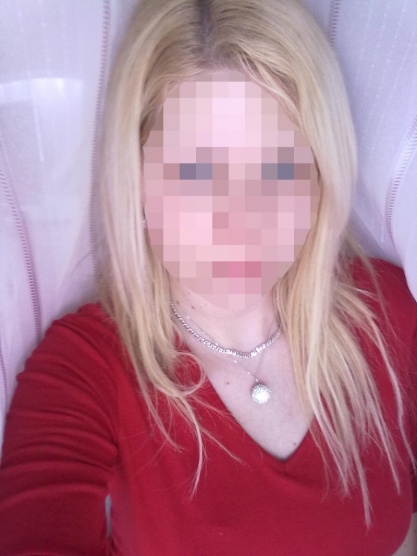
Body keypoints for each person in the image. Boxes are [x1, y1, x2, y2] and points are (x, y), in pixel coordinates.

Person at [0, 0, 416, 554]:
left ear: (320, 175)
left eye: (277, 167)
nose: (239, 216)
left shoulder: (391, 317)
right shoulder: (84, 366)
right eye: (196, 170)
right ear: (137, 177)